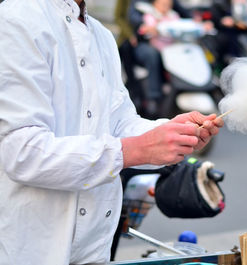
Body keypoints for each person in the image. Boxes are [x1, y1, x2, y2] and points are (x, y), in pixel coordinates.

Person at [0, 0, 223, 264]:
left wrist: (172, 131)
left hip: (95, 245)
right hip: (35, 246)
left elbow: (120, 123)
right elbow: (22, 151)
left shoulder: (102, 36)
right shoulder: (16, 20)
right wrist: (136, 150)